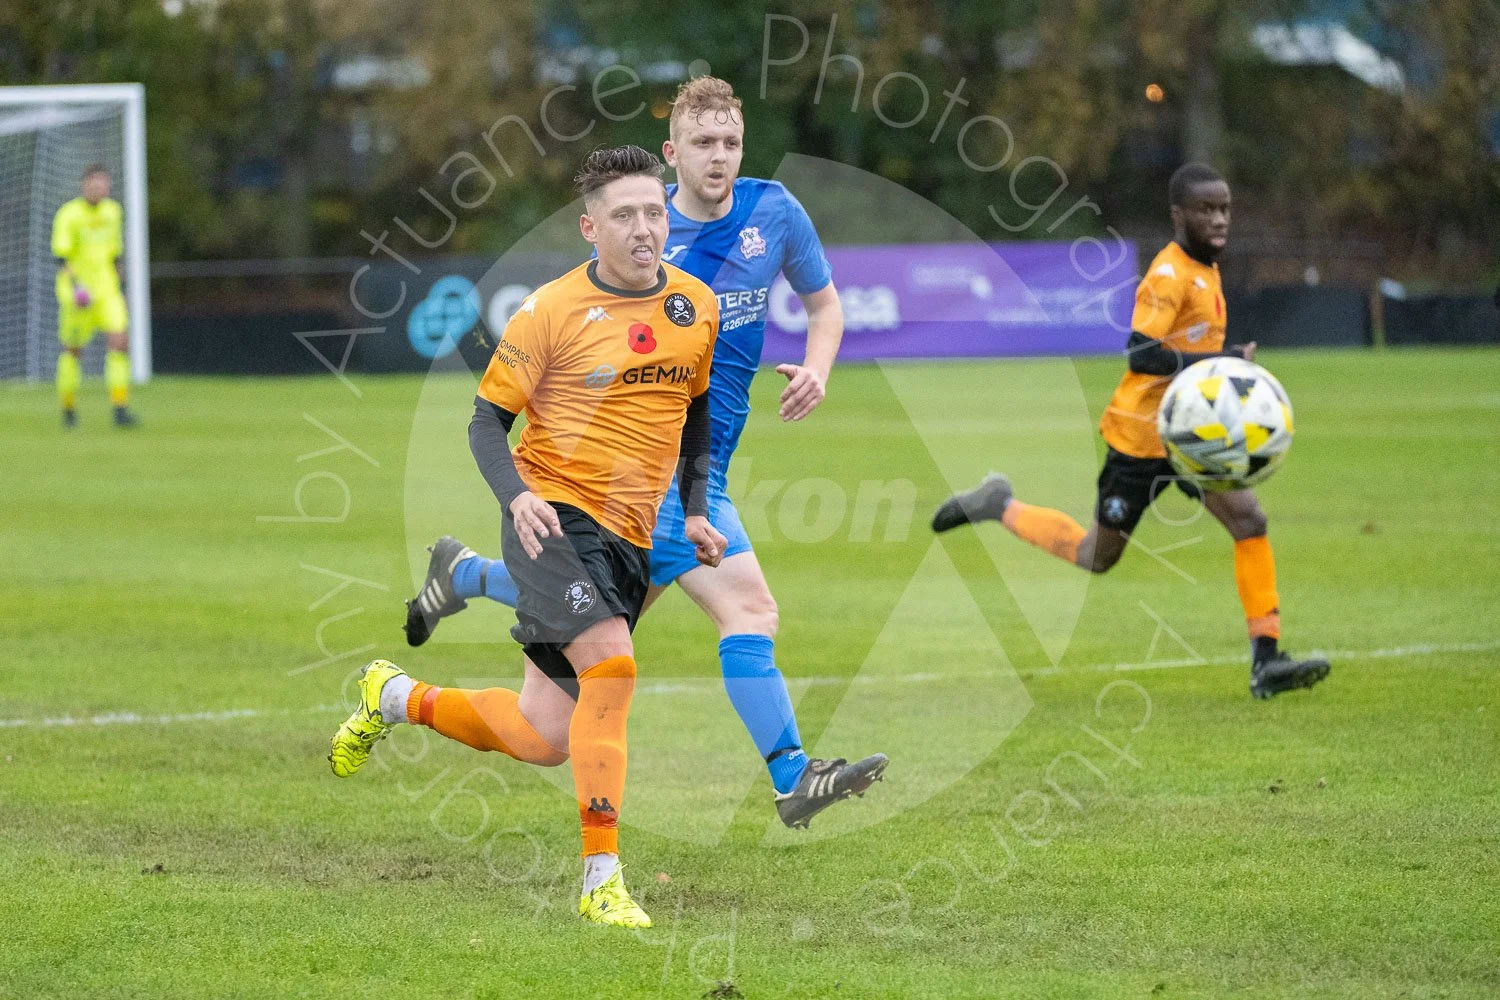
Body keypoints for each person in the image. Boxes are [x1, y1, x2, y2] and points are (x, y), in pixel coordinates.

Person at [403, 77, 887, 828]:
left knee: (549, 717)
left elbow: (824, 306)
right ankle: (789, 778)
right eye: (703, 143)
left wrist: (816, 368)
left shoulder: (775, 213)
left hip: (702, 472)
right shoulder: (647, 242)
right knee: (747, 607)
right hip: (640, 480)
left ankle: (461, 578)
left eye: (730, 142)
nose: (719, 157)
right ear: (672, 154)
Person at [330, 145, 725, 929]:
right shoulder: (549, 311)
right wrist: (517, 499)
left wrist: (700, 509)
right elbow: (485, 420)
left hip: (631, 536)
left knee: (544, 734)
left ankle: (396, 697)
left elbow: (698, 411)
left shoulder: (695, 305)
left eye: (654, 212)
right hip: (553, 515)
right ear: (590, 227)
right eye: (625, 216)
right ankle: (600, 881)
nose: (645, 228)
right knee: (611, 669)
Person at [932, 163, 1330, 700]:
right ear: (1178, 215)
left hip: (1191, 435)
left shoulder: (1206, 269)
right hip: (1141, 438)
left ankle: (1267, 660)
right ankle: (998, 504)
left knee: (1249, 520)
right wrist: (1225, 358)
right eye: (1206, 209)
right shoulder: (1168, 275)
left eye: (1225, 208)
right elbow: (1141, 353)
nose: (1219, 219)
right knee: (1097, 555)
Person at [52, 165, 137, 428]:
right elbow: (60, 257)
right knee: (73, 351)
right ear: (85, 185)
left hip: (107, 291)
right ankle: (68, 410)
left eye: (104, 185)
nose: (100, 189)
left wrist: (120, 291)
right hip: (78, 295)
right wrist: (77, 287)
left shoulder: (113, 212)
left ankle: (120, 408)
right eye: (95, 184)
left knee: (120, 342)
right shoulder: (69, 214)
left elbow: (115, 255)